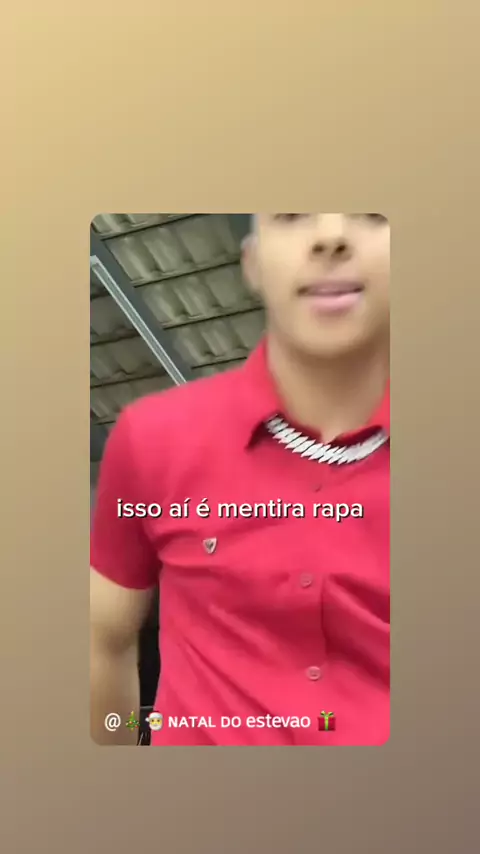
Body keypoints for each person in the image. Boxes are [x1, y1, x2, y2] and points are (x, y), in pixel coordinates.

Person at [90, 213, 390, 746]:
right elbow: (102, 639)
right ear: (251, 263)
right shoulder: (155, 438)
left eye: (372, 213)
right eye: (292, 214)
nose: (331, 236)